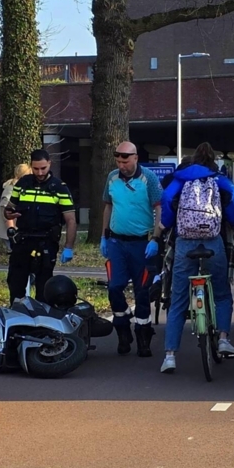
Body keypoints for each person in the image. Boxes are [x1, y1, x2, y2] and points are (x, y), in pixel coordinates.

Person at [158, 142, 234, 374]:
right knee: (222, 293)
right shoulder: (218, 178)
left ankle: (170, 356)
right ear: (213, 159)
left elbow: (166, 198)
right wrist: (232, 220)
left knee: (178, 300)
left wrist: (166, 224)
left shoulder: (181, 178)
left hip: (185, 242)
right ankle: (223, 338)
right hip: (213, 240)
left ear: (193, 159)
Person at [100, 141, 163, 357]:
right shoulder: (112, 177)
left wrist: (156, 238)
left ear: (135, 158)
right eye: (118, 161)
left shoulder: (149, 179)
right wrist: (103, 236)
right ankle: (123, 328)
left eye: (125, 161)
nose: (121, 166)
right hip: (117, 242)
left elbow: (159, 208)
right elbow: (108, 206)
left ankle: (143, 337)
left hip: (142, 243)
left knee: (142, 291)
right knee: (114, 287)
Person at [2, 149, 77, 302]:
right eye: (36, 168)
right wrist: (9, 214)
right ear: (31, 166)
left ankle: (43, 318)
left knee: (44, 286)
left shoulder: (59, 187)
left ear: (49, 164)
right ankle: (19, 315)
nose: (40, 172)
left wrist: (69, 247)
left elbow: (70, 220)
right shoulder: (23, 183)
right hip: (23, 240)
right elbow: (9, 208)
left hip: (46, 241)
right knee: (15, 282)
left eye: (43, 168)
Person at [0, 163, 33, 251]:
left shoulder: (23, 187)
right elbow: (5, 210)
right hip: (12, 231)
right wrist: (12, 232)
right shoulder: (11, 188)